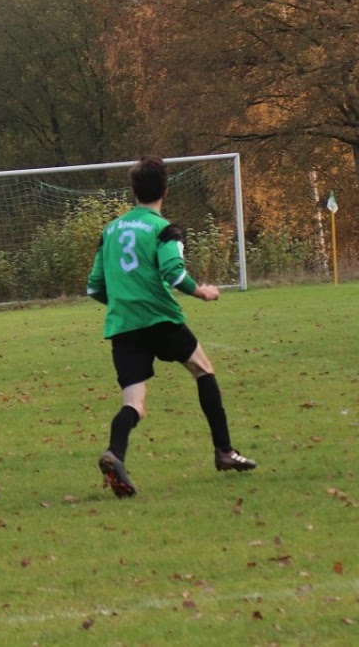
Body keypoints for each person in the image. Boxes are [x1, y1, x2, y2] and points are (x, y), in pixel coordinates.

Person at [85, 156, 256, 498]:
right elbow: (174, 273)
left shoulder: (110, 231)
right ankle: (224, 451)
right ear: (165, 190)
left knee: (134, 403)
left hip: (123, 327)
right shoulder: (164, 229)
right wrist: (202, 292)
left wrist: (123, 302)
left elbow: (94, 287)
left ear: (133, 190)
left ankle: (115, 453)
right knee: (203, 370)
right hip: (160, 320)